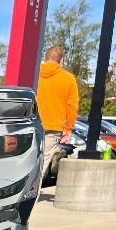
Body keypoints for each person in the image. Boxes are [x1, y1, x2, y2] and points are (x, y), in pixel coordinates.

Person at [36, 45, 80, 182]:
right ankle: (31, 198)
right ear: (61, 61)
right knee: (41, 164)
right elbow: (72, 106)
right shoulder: (68, 78)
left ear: (45, 58)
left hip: (31, 123)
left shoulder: (33, 73)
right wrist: (68, 129)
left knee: (24, 161)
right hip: (53, 128)